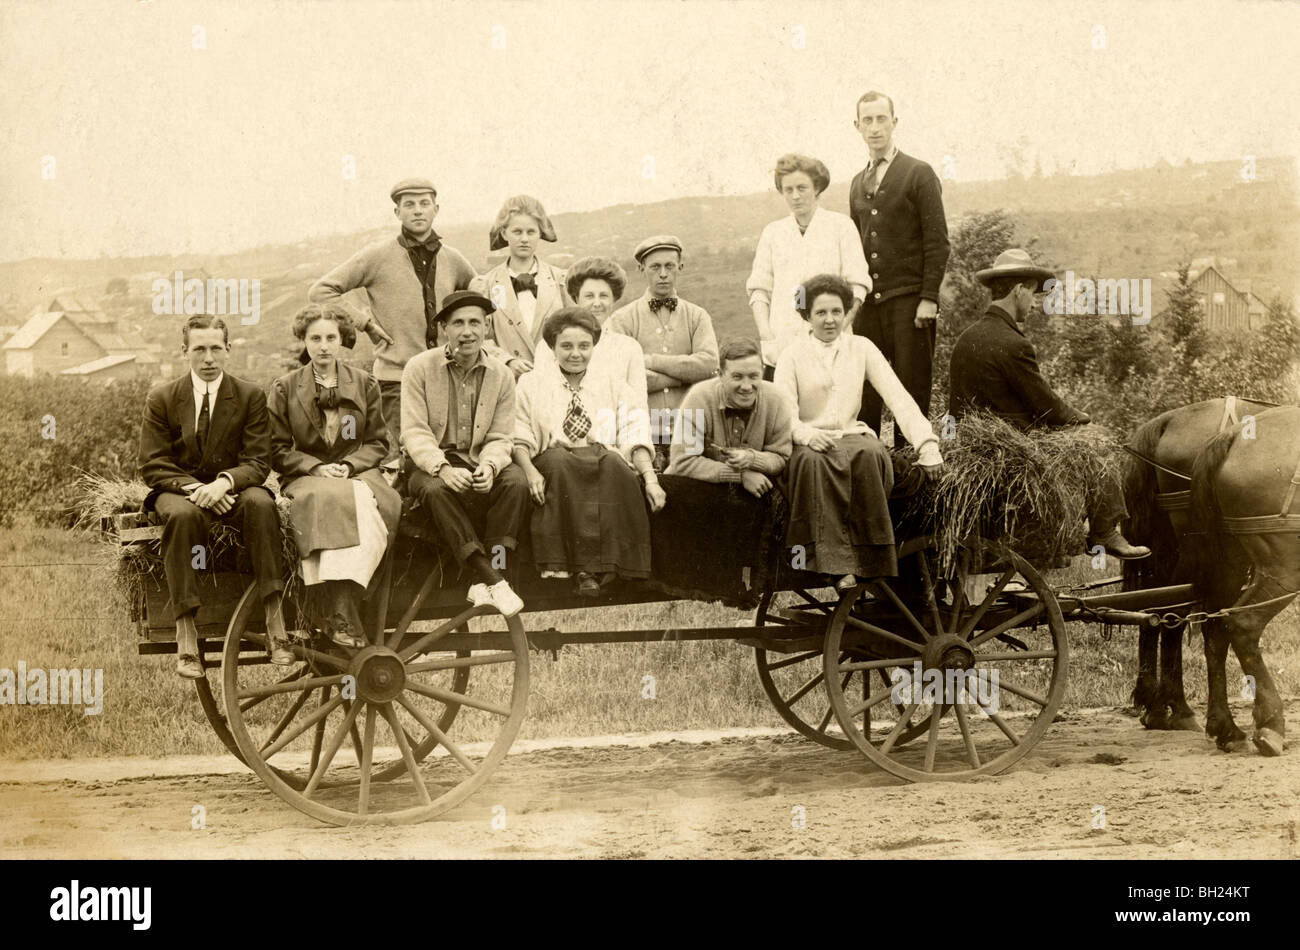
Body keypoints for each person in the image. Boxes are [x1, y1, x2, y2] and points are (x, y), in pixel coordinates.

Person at [948, 248, 1151, 560]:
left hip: (972, 445)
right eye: (1033, 295)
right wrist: (1082, 418)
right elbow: (1048, 407)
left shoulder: (966, 338)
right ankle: (1104, 531)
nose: (1034, 304)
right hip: (1012, 445)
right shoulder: (1014, 344)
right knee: (1097, 444)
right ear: (1019, 291)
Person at [138, 314, 288, 677]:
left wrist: (224, 483)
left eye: (216, 349)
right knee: (183, 517)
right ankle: (186, 633)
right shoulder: (163, 398)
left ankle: (275, 618)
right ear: (184, 351)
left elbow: (257, 460)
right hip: (179, 490)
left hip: (232, 488)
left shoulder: (250, 396)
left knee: (261, 504)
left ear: (229, 350)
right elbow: (153, 464)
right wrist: (198, 490)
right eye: (199, 349)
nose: (208, 358)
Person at [774, 274, 943, 590]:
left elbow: (898, 396)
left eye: (836, 312)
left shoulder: (861, 347)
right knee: (813, 462)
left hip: (853, 436)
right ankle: (832, 567)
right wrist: (807, 435)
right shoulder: (792, 354)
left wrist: (927, 444)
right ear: (807, 316)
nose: (829, 320)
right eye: (821, 313)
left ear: (846, 312)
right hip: (809, 439)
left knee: (870, 453)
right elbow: (784, 414)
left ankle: (872, 561)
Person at [310, 177, 477, 470]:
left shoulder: (454, 258)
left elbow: (477, 296)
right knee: (408, 458)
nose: (417, 211)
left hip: (446, 378)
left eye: (424, 204)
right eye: (408, 204)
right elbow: (321, 291)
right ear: (397, 212)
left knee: (444, 458)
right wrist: (366, 324)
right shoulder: (377, 255)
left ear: (436, 209)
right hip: (396, 379)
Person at [267, 303, 402, 649]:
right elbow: (277, 448)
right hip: (306, 475)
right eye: (315, 338)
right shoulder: (285, 388)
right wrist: (314, 467)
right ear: (304, 340)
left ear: (343, 340)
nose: (323, 346)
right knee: (325, 497)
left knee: (364, 502)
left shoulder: (364, 382)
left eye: (331, 337)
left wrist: (351, 465)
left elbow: (377, 442)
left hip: (356, 470)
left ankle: (346, 601)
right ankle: (329, 606)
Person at [513, 307, 665, 597]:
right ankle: (572, 568)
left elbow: (635, 430)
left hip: (600, 456)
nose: (575, 354)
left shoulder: (611, 383)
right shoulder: (531, 384)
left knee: (614, 465)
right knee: (559, 463)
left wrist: (651, 479)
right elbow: (519, 434)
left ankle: (616, 566)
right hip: (554, 459)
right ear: (552, 347)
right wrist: (530, 472)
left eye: (584, 346)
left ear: (594, 346)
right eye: (566, 346)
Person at [401, 290, 530, 616]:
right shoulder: (419, 368)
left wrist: (489, 465)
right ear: (444, 328)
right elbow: (415, 433)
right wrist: (442, 468)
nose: (468, 331)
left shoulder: (502, 374)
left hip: (479, 458)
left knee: (515, 482)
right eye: (458, 323)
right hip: (432, 462)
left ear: (487, 328)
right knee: (434, 490)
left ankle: (491, 574)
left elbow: (502, 436)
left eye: (476, 322)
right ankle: (490, 577)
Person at [848, 91, 950, 443]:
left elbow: (938, 241)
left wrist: (929, 297)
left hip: (910, 303)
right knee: (864, 389)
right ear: (857, 126)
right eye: (867, 120)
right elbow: (856, 247)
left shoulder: (918, 173)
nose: (875, 128)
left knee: (911, 388)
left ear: (894, 122)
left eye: (881, 119)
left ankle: (913, 466)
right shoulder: (856, 184)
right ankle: (869, 464)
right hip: (870, 307)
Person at [747, 154, 872, 372]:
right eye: (788, 190)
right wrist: (766, 336)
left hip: (832, 343)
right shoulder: (773, 233)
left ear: (816, 188)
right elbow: (759, 289)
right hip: (782, 345)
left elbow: (858, 286)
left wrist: (840, 328)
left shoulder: (841, 226)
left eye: (802, 188)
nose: (795, 196)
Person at [606, 235, 719, 470]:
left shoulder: (698, 316)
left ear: (680, 267)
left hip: (691, 426)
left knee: (692, 491)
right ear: (641, 269)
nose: (663, 274)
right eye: (655, 267)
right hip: (642, 430)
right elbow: (623, 377)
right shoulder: (621, 319)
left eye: (669, 266)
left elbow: (708, 365)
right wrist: (685, 373)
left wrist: (647, 361)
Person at [666, 338, 793, 497]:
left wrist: (752, 458)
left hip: (754, 491)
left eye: (753, 376)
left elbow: (781, 457)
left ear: (763, 371)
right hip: (698, 489)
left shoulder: (776, 399)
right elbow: (682, 462)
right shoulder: (699, 398)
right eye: (737, 377)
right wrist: (740, 475)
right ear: (720, 375)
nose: (746, 386)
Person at [472, 195, 572, 377]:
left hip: (555, 379)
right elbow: (479, 337)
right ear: (504, 234)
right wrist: (507, 361)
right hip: (507, 382)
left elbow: (576, 331)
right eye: (517, 232)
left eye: (531, 232)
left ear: (540, 233)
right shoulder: (485, 285)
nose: (524, 239)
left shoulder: (560, 281)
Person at [534, 256, 648, 407]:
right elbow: (542, 402)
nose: (597, 303)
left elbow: (638, 407)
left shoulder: (629, 348)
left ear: (614, 299)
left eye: (604, 296)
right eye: (589, 296)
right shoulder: (548, 346)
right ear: (576, 298)